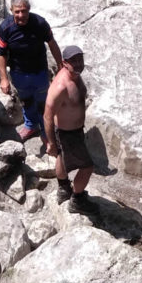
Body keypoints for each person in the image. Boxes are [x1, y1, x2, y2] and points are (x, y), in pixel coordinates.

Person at [0, 0, 63, 142]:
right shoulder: (5, 28)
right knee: (26, 100)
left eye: (24, 11)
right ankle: (31, 125)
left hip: (39, 72)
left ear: (29, 10)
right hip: (18, 73)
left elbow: (52, 43)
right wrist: (3, 78)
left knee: (43, 102)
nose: (21, 15)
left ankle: (47, 132)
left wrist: (60, 65)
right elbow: (0, 54)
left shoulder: (40, 23)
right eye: (17, 12)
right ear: (11, 10)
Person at [44, 45, 97, 213]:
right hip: (68, 133)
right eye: (73, 60)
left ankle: (63, 188)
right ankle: (77, 200)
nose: (78, 63)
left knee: (61, 155)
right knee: (87, 167)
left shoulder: (76, 75)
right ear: (64, 63)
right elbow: (47, 116)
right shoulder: (60, 87)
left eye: (80, 59)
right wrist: (51, 142)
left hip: (74, 130)